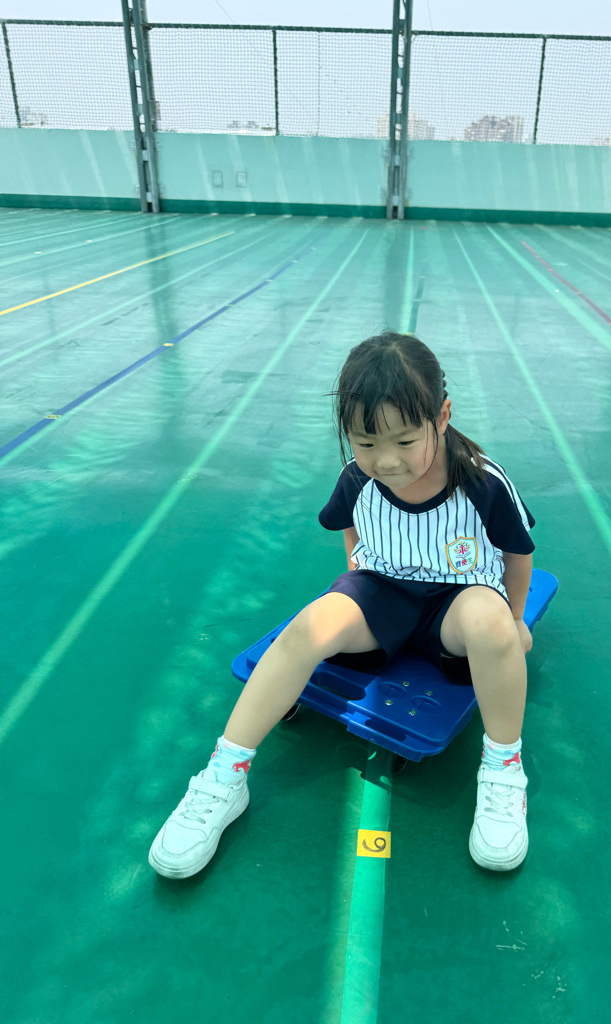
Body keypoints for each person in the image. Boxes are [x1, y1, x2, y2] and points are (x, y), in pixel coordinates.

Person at [149, 331, 536, 878]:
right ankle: (223, 776)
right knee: (307, 627)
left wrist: (515, 620)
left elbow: (518, 553)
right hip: (382, 591)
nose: (386, 461)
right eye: (365, 442)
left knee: (492, 625)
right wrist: (357, 582)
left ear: (442, 416)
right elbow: (351, 529)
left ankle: (502, 771)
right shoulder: (357, 477)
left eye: (405, 441)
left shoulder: (481, 481)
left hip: (457, 601)